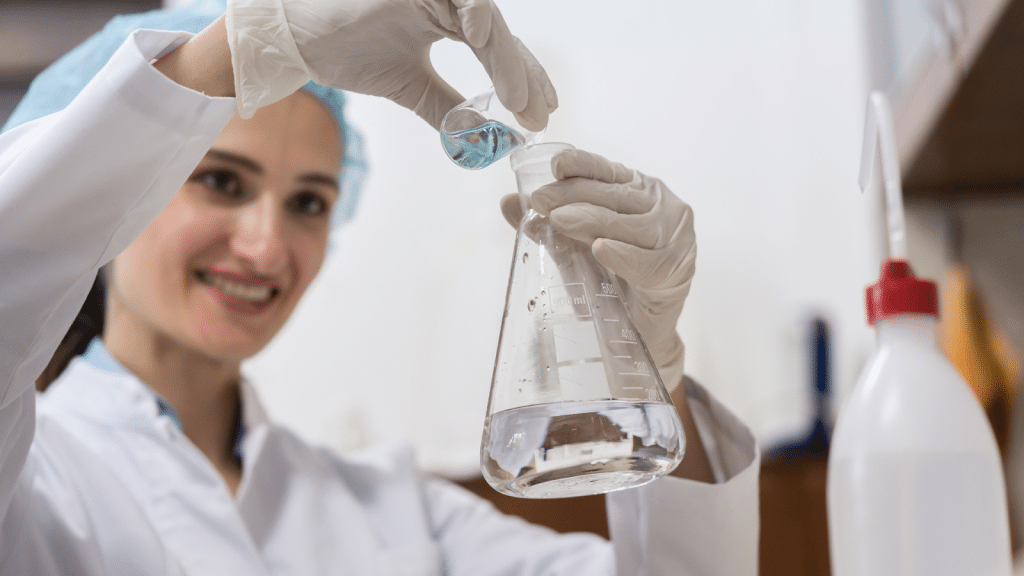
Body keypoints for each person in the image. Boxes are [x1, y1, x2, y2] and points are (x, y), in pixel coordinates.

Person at [0, 0, 759, 573]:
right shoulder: (35, 479)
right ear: (125, 184)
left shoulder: (393, 510)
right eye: (222, 181)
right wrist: (238, 54)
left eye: (308, 202)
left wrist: (652, 365)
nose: (266, 246)